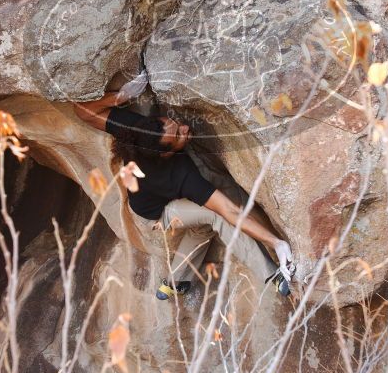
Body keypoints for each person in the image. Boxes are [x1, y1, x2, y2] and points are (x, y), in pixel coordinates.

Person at [74, 71, 295, 300]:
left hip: (147, 198)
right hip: (156, 215)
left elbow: (83, 112)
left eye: (176, 125)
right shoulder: (181, 176)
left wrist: (121, 96)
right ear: (167, 153)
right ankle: (272, 275)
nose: (185, 128)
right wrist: (276, 242)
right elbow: (229, 211)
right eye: (178, 135)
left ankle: (176, 281)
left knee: (201, 226)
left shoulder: (139, 131)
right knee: (214, 217)